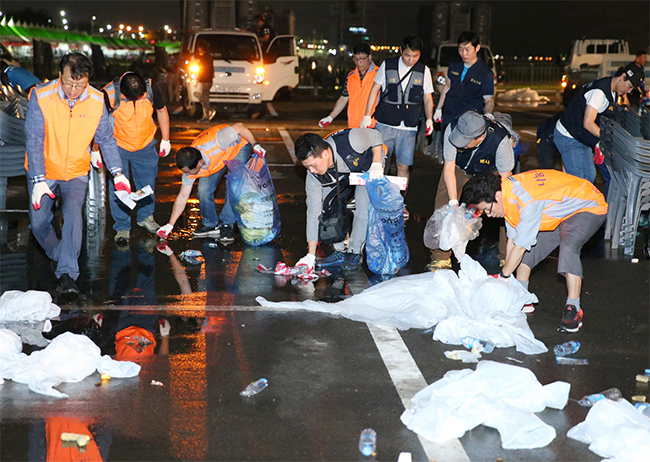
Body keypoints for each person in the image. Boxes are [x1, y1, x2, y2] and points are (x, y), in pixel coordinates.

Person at [26, 52, 130, 299]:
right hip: (44, 170)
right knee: (39, 223)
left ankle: (67, 276)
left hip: (75, 170)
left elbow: (106, 138)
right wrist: (39, 180)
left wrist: (118, 173)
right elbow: (34, 138)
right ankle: (61, 254)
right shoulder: (41, 96)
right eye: (69, 83)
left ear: (88, 79)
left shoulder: (96, 100)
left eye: (80, 84)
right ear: (59, 74)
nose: (73, 90)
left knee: (73, 215)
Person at [460, 170, 608, 333]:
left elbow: (521, 245)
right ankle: (521, 297)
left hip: (587, 206)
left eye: (488, 209)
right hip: (558, 210)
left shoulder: (526, 201)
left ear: (498, 196)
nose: (489, 214)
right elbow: (513, 240)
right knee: (523, 253)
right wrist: (508, 280)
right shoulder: (507, 195)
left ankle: (573, 308)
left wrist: (504, 276)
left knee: (568, 246)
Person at [426, 110, 515, 271]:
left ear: (480, 137)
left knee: (503, 206)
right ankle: (441, 257)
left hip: (491, 172)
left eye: (465, 141)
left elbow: (506, 182)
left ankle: (506, 256)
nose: (460, 144)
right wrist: (453, 203)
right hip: (459, 168)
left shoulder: (501, 142)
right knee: (443, 202)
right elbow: (448, 169)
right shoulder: (452, 129)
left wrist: (488, 202)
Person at [92, 72, 171, 244]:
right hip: (117, 147)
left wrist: (166, 139)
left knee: (147, 184)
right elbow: (99, 122)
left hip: (146, 145)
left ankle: (145, 217)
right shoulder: (108, 94)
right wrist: (95, 149)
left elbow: (161, 110)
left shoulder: (151, 88)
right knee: (119, 189)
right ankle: (122, 226)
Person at [361, 35, 434, 219]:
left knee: (403, 166)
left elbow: (427, 97)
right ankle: (377, 201)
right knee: (379, 164)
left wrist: (429, 118)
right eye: (408, 55)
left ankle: (400, 203)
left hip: (408, 127)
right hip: (385, 123)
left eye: (415, 56)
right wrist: (367, 115)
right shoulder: (388, 65)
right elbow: (375, 89)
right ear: (401, 50)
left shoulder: (423, 70)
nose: (411, 60)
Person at [156, 123, 266, 243]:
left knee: (234, 187)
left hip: (237, 147)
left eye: (188, 172)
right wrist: (170, 225)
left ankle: (226, 225)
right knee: (203, 190)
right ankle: (210, 224)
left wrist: (256, 145)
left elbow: (240, 127)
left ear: (199, 164)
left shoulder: (217, 142)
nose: (187, 175)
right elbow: (182, 197)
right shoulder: (190, 165)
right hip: (216, 159)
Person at [294, 129, 385, 271]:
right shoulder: (314, 175)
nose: (311, 170)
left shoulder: (352, 140)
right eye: (307, 167)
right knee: (328, 205)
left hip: (367, 164)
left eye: (312, 165)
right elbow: (313, 212)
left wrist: (377, 163)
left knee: (362, 203)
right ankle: (339, 250)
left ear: (324, 154)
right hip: (340, 171)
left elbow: (376, 135)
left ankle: (354, 251)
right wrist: (310, 255)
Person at [554, 62, 644, 185]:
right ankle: (570, 203)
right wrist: (608, 139)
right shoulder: (599, 92)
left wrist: (598, 142)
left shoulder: (612, 91)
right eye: (629, 87)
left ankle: (579, 202)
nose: (628, 91)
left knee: (589, 177)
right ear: (623, 77)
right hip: (569, 136)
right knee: (578, 181)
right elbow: (588, 123)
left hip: (581, 137)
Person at [434, 31, 495, 128]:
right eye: (460, 49)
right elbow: (447, 87)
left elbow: (488, 100)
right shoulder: (454, 64)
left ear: (477, 48)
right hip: (449, 117)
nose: (463, 53)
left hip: (470, 121)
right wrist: (438, 109)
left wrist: (488, 113)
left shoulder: (485, 73)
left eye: (467, 50)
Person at [319, 44, 379, 129]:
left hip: (373, 125)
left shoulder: (379, 74)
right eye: (355, 59)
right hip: (353, 126)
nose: (358, 62)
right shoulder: (351, 76)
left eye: (362, 59)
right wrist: (330, 117)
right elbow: (344, 98)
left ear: (369, 57)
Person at [195, 40, 215, 123]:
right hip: (209, 80)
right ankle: (206, 115)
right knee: (203, 97)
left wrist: (198, 79)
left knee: (203, 98)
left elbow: (202, 70)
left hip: (205, 80)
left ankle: (208, 113)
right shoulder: (209, 57)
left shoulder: (204, 58)